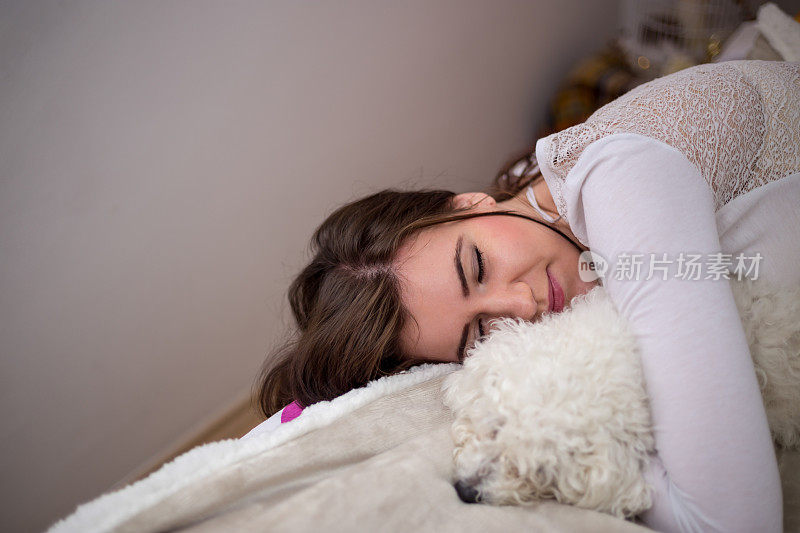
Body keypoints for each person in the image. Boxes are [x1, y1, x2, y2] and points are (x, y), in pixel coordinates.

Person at [254, 60, 800, 532]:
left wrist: (589, 470)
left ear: (469, 203)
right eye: (479, 332)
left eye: (477, 267)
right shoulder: (553, 216)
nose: (520, 307)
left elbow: (735, 522)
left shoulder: (621, 181)